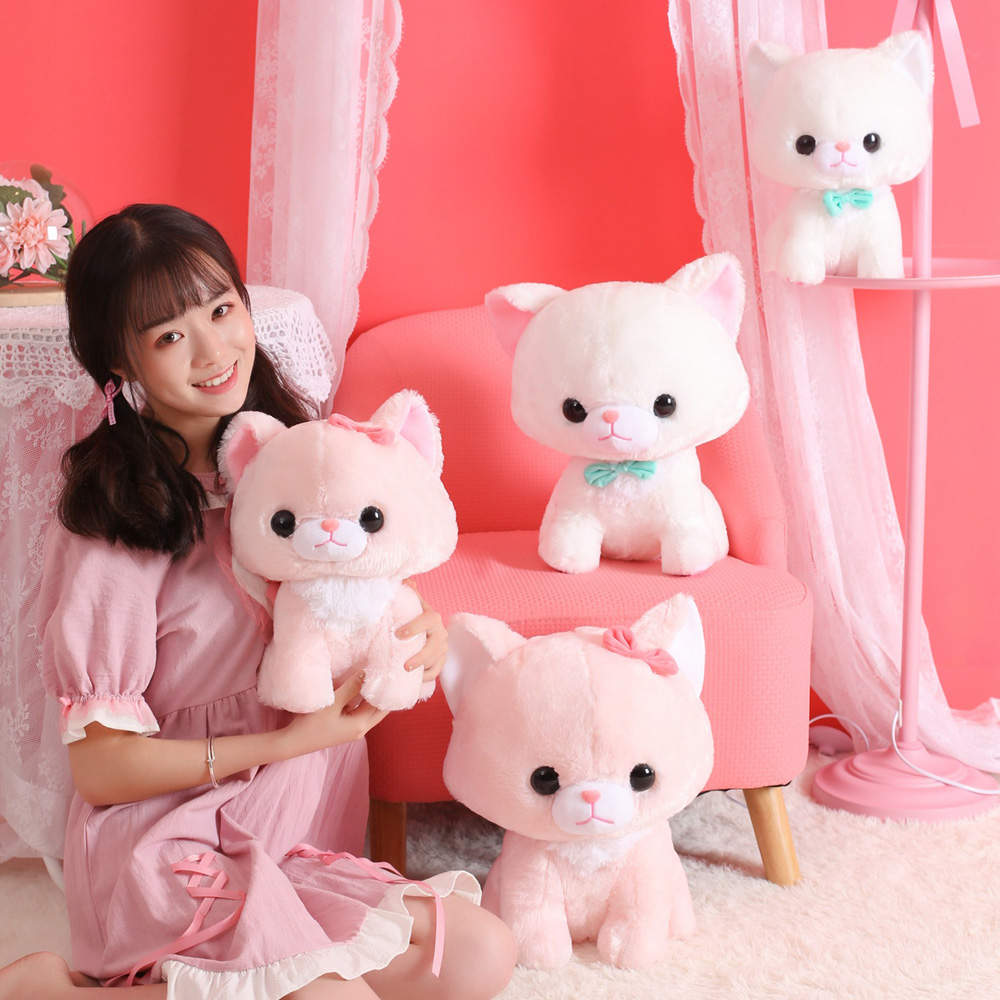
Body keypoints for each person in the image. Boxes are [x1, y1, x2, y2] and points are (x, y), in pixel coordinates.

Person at [0, 204, 516, 999]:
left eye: (221, 309)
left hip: (294, 829)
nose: (213, 352)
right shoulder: (114, 525)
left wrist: (421, 635)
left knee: (478, 955)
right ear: (119, 360)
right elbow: (101, 769)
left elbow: (367, 581)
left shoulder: (296, 461)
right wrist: (286, 742)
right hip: (173, 839)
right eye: (169, 336)